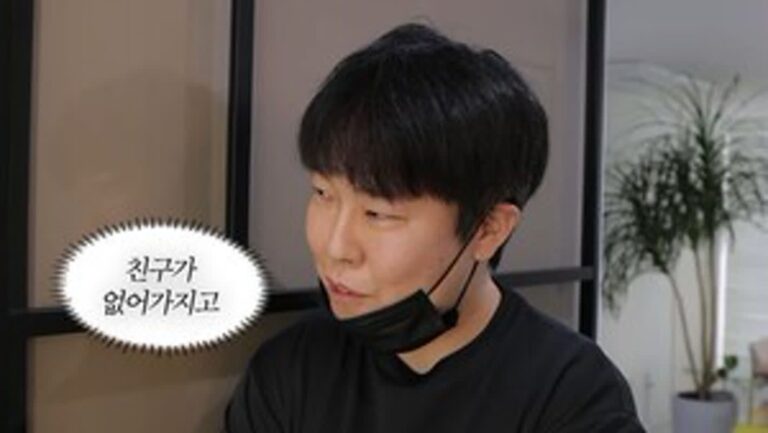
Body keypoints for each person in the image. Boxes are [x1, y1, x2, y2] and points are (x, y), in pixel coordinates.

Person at [224, 22, 645, 433]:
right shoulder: (289, 371)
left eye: (378, 214)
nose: (335, 248)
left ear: (488, 229)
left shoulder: (572, 394)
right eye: (322, 193)